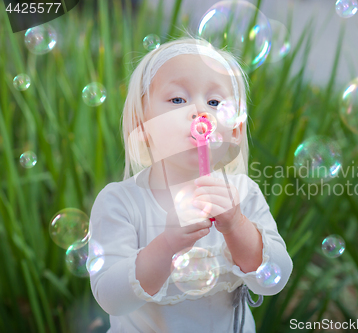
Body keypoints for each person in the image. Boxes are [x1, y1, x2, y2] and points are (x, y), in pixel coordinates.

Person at [87, 36, 293, 333]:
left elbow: (275, 278)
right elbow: (111, 298)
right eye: (178, 99)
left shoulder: (243, 194)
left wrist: (235, 225)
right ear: (142, 126)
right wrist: (166, 245)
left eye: (214, 102)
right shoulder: (121, 202)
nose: (199, 111)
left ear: (234, 130)